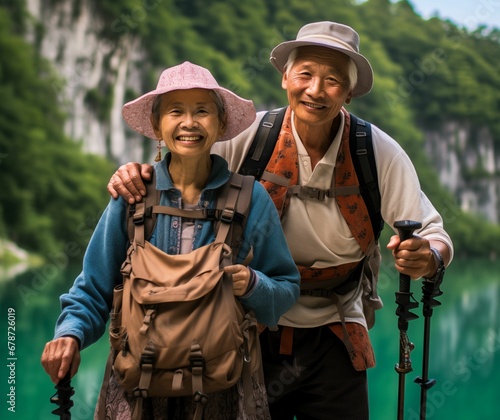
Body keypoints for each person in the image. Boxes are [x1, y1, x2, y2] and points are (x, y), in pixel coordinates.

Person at [107, 22, 453, 420]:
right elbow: (183, 170)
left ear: (350, 92)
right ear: (285, 76)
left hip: (337, 326)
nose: (316, 89)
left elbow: (432, 234)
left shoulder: (377, 153)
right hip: (245, 323)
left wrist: (428, 257)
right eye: (305, 74)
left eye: (333, 81)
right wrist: (137, 174)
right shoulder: (250, 138)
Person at [41, 61, 300, 419]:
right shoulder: (133, 196)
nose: (189, 123)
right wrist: (69, 334)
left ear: (221, 123)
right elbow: (94, 287)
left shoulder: (250, 198)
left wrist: (253, 283)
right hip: (137, 387)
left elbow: (286, 289)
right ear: (157, 126)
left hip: (224, 387)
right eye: (175, 111)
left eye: (202, 111)